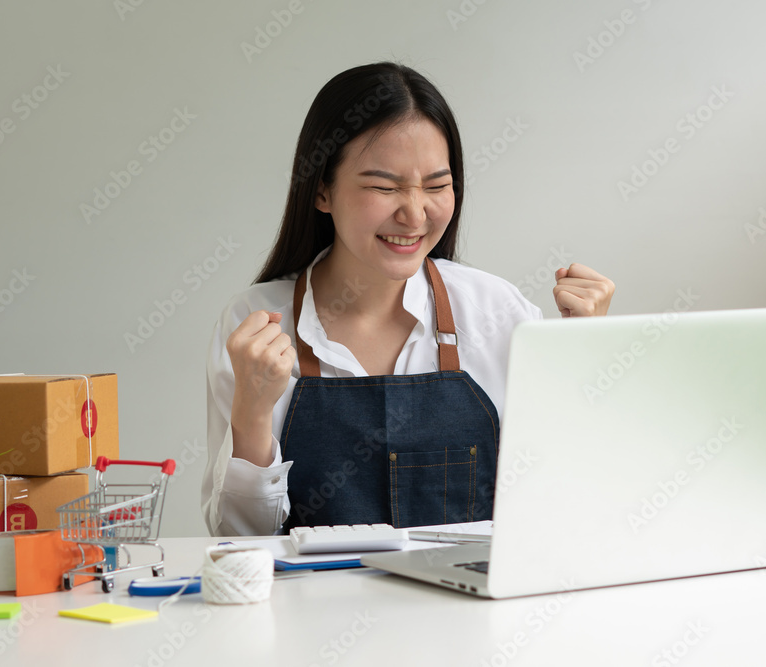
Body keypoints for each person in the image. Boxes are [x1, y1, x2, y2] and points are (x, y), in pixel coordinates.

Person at [202, 62, 614, 537]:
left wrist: (588, 352)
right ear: (321, 189)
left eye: (437, 186)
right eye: (384, 186)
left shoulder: (498, 314)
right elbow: (239, 541)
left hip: (467, 608)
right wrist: (252, 410)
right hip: (312, 610)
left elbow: (566, 500)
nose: (414, 213)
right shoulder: (255, 326)